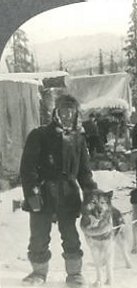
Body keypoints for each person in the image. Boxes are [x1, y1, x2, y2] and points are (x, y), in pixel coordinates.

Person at [20, 94, 98, 287]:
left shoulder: (78, 138)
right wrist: (32, 194)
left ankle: (74, 274)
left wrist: (92, 194)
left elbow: (84, 172)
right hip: (43, 193)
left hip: (68, 195)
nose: (67, 115)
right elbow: (27, 168)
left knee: (71, 235)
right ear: (56, 112)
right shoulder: (39, 134)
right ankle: (38, 273)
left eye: (71, 111)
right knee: (39, 235)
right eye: (63, 110)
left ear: (76, 113)